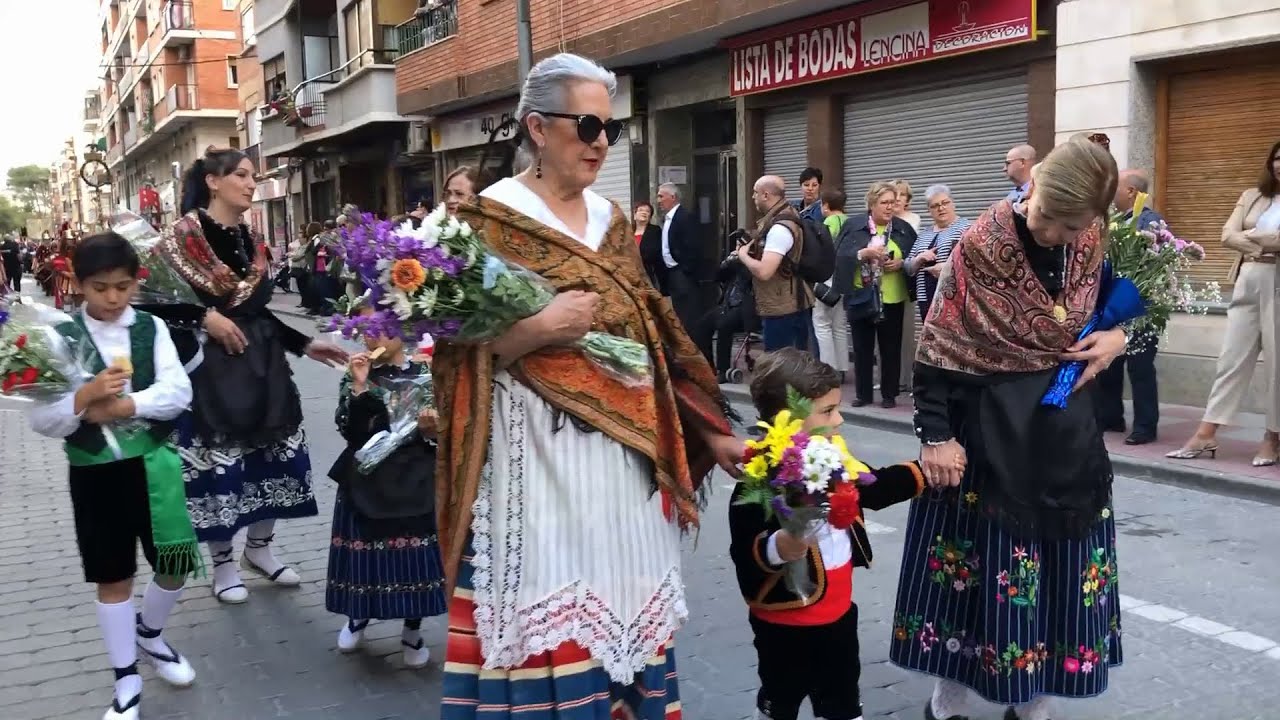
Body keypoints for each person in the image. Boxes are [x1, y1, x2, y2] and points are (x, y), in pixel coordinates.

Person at [433, 52, 741, 719]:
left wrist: (710, 431)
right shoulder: (486, 223)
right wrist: (541, 326)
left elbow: (652, 338)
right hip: (536, 466)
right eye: (588, 126)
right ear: (539, 129)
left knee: (626, 618)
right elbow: (457, 360)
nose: (602, 143)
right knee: (555, 621)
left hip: (623, 469)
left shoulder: (612, 222)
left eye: (613, 129)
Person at [893, 135, 1125, 720]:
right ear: (1034, 186)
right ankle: (947, 704)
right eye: (1047, 216)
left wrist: (1119, 336)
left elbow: (1120, 295)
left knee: (1057, 573)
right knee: (973, 578)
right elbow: (938, 345)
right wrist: (936, 437)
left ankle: (1035, 705)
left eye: (1071, 228)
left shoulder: (1092, 237)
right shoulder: (980, 245)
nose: (1055, 234)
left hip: (1065, 430)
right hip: (987, 434)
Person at [145, 147, 348, 605]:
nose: (251, 183)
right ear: (213, 182)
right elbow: (150, 300)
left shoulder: (253, 242)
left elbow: (260, 315)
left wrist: (305, 344)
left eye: (252, 175)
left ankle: (260, 549)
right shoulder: (180, 238)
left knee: (275, 456)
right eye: (240, 174)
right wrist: (203, 317)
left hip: (264, 364)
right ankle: (223, 564)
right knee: (225, 463)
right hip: (211, 367)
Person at [28, 232, 201, 720]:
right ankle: (125, 678)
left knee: (175, 563)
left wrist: (124, 404)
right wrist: (84, 400)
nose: (111, 297)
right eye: (100, 286)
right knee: (113, 576)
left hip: (154, 466)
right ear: (78, 283)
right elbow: (42, 420)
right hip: (95, 474)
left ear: (135, 282)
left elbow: (177, 391)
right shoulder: (58, 337)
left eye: (122, 286)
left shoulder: (150, 328)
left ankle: (150, 634)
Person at [729, 348, 924, 720]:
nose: (839, 418)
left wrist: (924, 473)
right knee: (781, 696)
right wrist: (780, 546)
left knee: (842, 696)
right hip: (785, 624)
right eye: (827, 411)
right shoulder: (761, 476)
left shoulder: (833, 459)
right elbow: (744, 547)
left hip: (838, 613)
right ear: (789, 419)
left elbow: (875, 486)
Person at [326, 305, 447, 669]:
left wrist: (431, 430)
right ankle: (358, 616)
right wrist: (361, 386)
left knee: (415, 561)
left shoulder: (428, 372)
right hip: (366, 476)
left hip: (415, 475)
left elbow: (445, 429)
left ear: (400, 331)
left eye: (378, 328)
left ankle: (412, 630)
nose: (370, 336)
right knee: (366, 557)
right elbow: (350, 430)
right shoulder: (356, 373)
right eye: (364, 328)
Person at [1168, 139, 1280, 464]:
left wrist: (1250, 239)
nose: (1278, 164)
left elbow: (1242, 237)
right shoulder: (1252, 195)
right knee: (1231, 360)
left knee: (1276, 366)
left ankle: (1272, 438)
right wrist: (1262, 244)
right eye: (1275, 157)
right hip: (1247, 279)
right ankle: (1205, 434)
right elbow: (1225, 234)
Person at [1095, 169, 1167, 445]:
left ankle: (1145, 426)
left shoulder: (1150, 221)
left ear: (1132, 192)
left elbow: (1153, 259)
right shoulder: (1115, 220)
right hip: (1116, 303)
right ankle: (1112, 417)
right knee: (1110, 363)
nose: (1111, 193)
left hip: (1141, 304)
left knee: (1140, 367)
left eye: (1116, 188)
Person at [833, 182, 916, 408]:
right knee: (862, 348)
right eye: (884, 203)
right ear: (872, 204)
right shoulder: (853, 225)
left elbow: (914, 256)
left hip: (892, 297)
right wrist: (863, 253)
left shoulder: (902, 228)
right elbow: (839, 257)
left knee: (890, 349)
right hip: (861, 295)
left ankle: (889, 395)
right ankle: (863, 394)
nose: (889, 207)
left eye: (892, 202)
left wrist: (900, 263)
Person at [739, 175, 815, 351]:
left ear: (766, 195)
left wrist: (743, 255)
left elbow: (765, 271)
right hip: (787, 302)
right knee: (793, 365)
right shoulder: (784, 215)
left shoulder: (780, 227)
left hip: (783, 307)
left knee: (781, 366)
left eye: (755, 192)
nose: (753, 197)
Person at [906, 184, 970, 323]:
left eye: (945, 203)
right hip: (926, 300)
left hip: (954, 297)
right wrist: (918, 259)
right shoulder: (924, 235)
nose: (941, 208)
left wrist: (948, 268)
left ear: (953, 203)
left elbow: (974, 262)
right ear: (929, 210)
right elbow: (908, 268)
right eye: (935, 206)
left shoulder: (966, 228)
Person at [813, 189, 850, 379]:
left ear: (826, 206)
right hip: (846, 279)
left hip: (828, 278)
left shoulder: (828, 223)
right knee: (839, 324)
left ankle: (829, 368)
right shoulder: (849, 221)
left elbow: (822, 252)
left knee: (821, 322)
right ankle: (843, 367)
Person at [634, 199, 666, 291]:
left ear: (650, 216)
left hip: (649, 274)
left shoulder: (655, 231)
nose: (644, 212)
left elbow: (654, 252)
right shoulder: (628, 232)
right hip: (631, 274)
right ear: (634, 215)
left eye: (647, 211)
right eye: (640, 210)